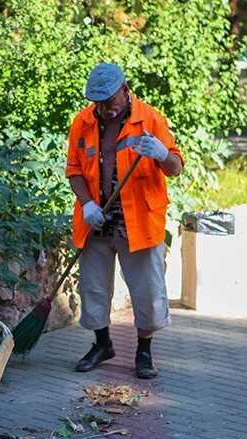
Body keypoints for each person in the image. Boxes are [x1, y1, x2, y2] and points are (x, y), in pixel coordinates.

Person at [65, 62, 183, 379]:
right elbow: (74, 170)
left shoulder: (151, 120)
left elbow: (175, 167)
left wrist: (161, 154)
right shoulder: (83, 122)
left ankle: (144, 352)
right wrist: (87, 204)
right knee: (94, 289)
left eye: (110, 100)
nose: (105, 108)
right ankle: (102, 344)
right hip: (97, 222)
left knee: (147, 291)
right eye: (98, 102)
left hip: (139, 224)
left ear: (125, 89)